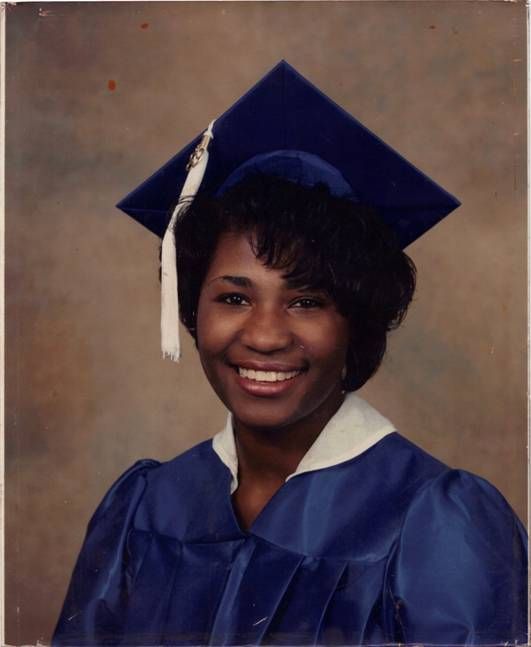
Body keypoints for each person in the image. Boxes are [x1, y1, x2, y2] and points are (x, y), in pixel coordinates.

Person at [52, 62, 527, 646]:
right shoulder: (145, 509)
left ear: (356, 322)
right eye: (233, 297)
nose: (265, 335)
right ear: (192, 308)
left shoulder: (437, 523)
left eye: (306, 301)